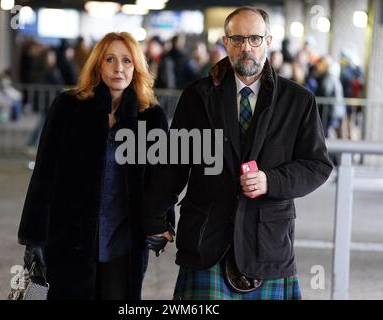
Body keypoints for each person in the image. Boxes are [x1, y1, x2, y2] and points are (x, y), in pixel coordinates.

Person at [142, 6, 333, 300]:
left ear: (268, 42)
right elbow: (173, 164)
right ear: (226, 42)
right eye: (238, 39)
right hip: (207, 240)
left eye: (255, 39)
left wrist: (271, 181)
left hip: (267, 244)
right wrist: (156, 218)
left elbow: (317, 165)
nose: (247, 47)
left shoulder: (298, 101)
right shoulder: (197, 96)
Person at [17, 32, 173, 300]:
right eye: (110, 59)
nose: (118, 68)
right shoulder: (68, 107)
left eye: (126, 60)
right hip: (69, 238)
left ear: (136, 66)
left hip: (124, 241)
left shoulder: (151, 117)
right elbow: (44, 174)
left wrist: (163, 221)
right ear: (97, 64)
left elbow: (162, 179)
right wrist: (33, 237)